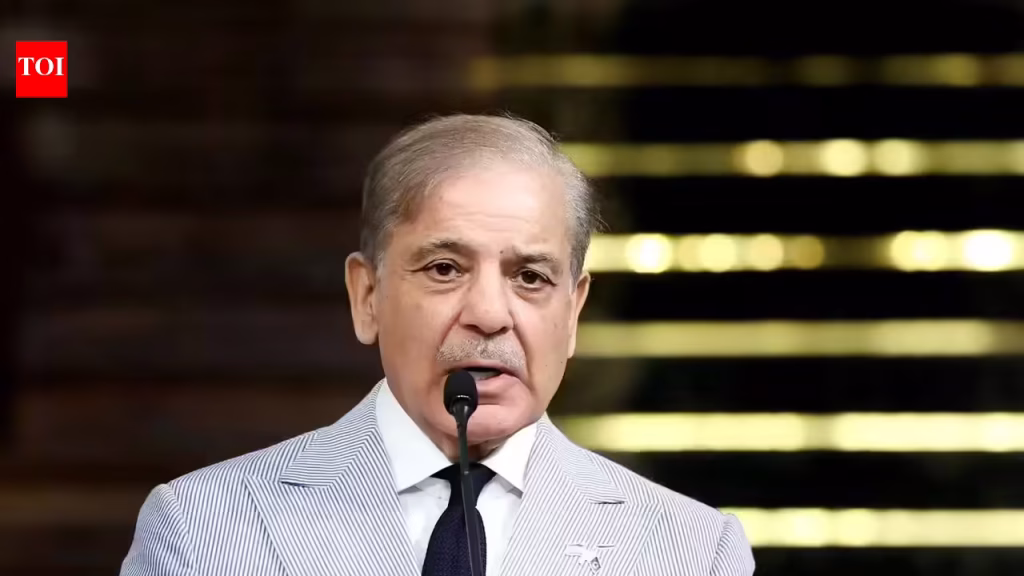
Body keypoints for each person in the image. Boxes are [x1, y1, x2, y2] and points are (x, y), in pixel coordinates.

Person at [120, 114, 755, 576]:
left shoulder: (693, 552)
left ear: (573, 312)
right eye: (445, 268)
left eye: (530, 277)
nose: (489, 315)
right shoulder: (204, 528)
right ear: (367, 296)